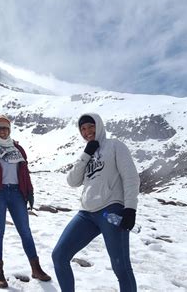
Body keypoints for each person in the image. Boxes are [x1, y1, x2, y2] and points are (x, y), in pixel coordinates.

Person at [52, 113, 140, 292]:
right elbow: (72, 181)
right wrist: (86, 154)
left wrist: (130, 208)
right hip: (86, 214)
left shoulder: (115, 146)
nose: (87, 131)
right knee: (59, 255)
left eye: (90, 126)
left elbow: (131, 177)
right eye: (83, 129)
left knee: (121, 268)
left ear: (98, 125)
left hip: (112, 210)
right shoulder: (87, 154)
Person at [0, 114, 51, 288]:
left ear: (9, 130)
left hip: (17, 193)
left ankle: (36, 268)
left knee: (25, 231)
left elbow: (25, 172)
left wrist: (30, 192)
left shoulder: (18, 149)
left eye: (5, 128)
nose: (2, 131)